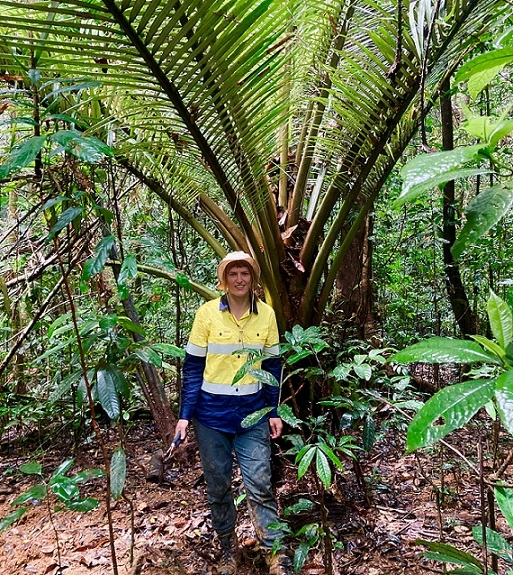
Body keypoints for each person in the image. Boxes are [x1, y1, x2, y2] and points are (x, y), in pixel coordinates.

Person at [174, 251, 292, 575]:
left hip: (252, 413)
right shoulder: (207, 314)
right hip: (210, 416)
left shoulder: (266, 315)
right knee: (218, 486)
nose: (239, 280)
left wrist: (274, 411)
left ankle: (274, 554)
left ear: (253, 279)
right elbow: (194, 368)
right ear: (224, 279)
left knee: (260, 484)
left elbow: (271, 367)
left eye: (245, 274)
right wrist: (185, 415)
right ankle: (228, 549)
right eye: (233, 274)